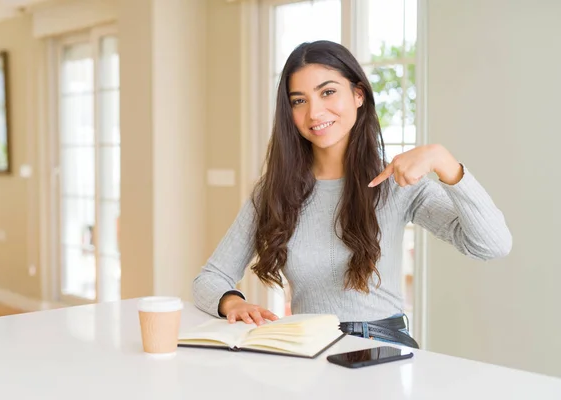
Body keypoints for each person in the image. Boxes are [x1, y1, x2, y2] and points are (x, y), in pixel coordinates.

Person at [192, 40, 512, 348]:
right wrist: (231, 303)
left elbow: (492, 245)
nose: (315, 112)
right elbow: (209, 279)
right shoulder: (273, 192)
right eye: (299, 100)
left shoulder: (394, 185)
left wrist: (446, 163)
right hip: (309, 348)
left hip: (382, 344)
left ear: (358, 94)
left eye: (328, 92)